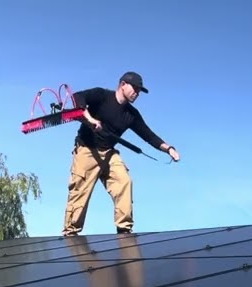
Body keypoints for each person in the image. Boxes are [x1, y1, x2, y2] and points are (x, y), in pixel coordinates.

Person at [62, 71, 180, 237]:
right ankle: (70, 232)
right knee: (80, 192)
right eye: (135, 88)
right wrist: (89, 118)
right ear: (122, 84)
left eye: (139, 91)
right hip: (87, 150)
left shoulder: (131, 114)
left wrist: (169, 149)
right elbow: (77, 97)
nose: (136, 93)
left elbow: (148, 135)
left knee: (124, 182)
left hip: (109, 153)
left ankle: (124, 231)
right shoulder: (101, 95)